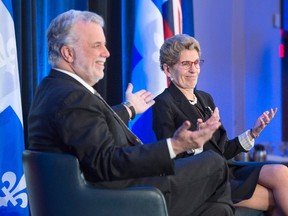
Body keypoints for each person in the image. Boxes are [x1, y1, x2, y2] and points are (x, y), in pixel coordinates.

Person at [27, 10, 236, 216]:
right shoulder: (72, 97)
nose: (106, 53)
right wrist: (176, 145)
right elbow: (105, 162)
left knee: (218, 207)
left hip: (104, 192)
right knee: (215, 164)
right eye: (97, 45)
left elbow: (91, 127)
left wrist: (129, 109)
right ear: (68, 53)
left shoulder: (55, 88)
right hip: (123, 197)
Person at [152, 34, 288, 216]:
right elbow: (171, 161)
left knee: (281, 172)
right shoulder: (163, 103)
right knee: (273, 197)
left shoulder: (205, 98)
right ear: (168, 70)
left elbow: (223, 149)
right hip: (202, 179)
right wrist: (196, 142)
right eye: (185, 64)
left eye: (197, 62)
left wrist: (253, 133)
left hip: (225, 168)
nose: (194, 70)